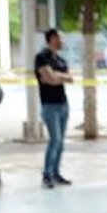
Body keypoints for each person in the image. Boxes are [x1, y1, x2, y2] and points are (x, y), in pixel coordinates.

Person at [35, 28, 73, 189]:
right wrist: (57, 77)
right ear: (51, 39)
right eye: (59, 38)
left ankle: (56, 173)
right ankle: (47, 174)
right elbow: (47, 79)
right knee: (55, 140)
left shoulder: (61, 60)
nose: (62, 41)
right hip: (49, 105)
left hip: (63, 104)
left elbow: (70, 78)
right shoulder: (41, 57)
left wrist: (55, 76)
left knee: (61, 142)